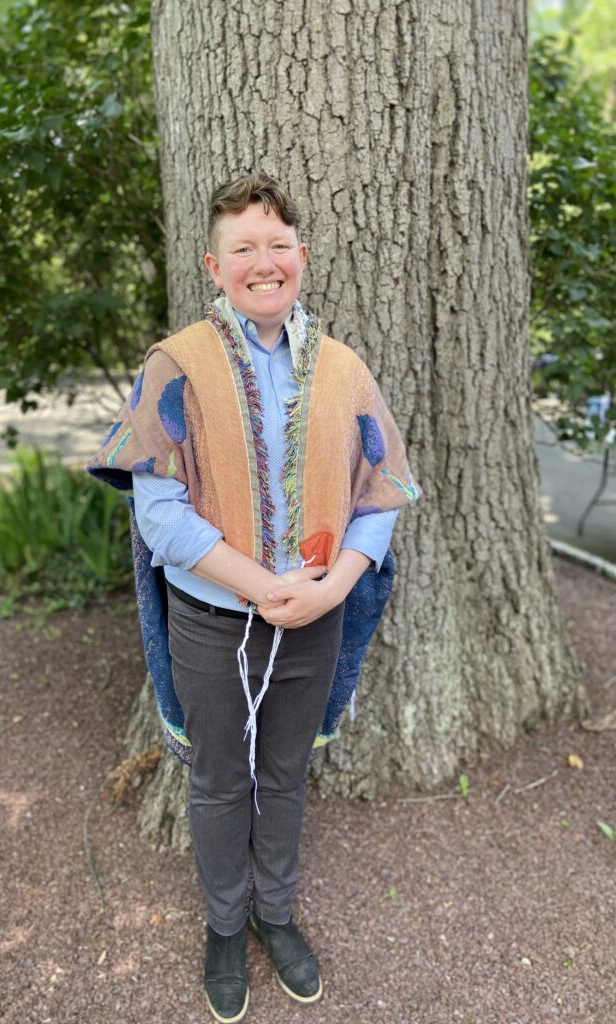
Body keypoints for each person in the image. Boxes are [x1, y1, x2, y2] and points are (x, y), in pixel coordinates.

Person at [87, 171, 421, 1023]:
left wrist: (333, 587)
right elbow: (157, 513)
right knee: (219, 780)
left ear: (301, 257)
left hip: (316, 618)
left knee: (285, 773)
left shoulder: (345, 372)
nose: (263, 262)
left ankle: (277, 914)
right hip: (210, 621)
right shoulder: (178, 365)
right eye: (244, 248)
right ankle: (226, 926)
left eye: (278, 245)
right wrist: (265, 584)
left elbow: (380, 496)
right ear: (214, 263)